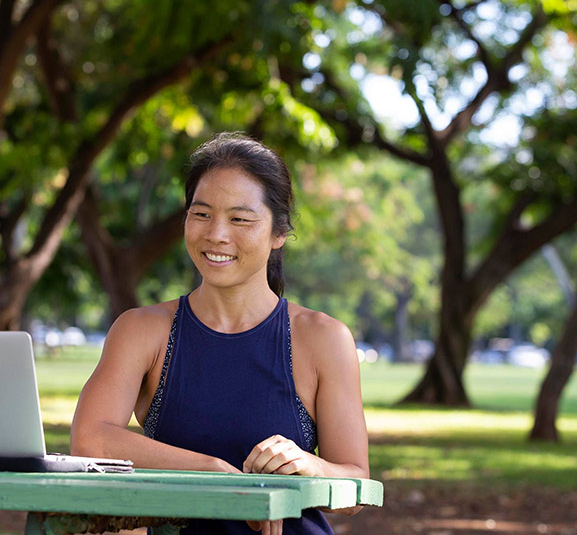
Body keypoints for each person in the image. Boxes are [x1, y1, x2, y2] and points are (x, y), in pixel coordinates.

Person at [71, 133, 369, 535]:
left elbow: (356, 487)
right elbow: (91, 439)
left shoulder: (323, 339)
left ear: (278, 233)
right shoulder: (141, 330)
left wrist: (309, 466)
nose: (216, 234)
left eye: (240, 219)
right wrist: (217, 474)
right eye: (201, 214)